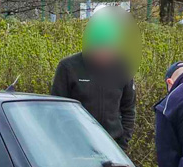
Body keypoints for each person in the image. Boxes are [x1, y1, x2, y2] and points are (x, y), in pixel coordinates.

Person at [51, 8, 136, 150]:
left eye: (108, 49)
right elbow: (56, 110)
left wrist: (122, 143)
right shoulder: (68, 67)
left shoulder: (123, 68)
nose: (103, 55)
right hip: (76, 145)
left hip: (113, 146)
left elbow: (128, 109)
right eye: (99, 49)